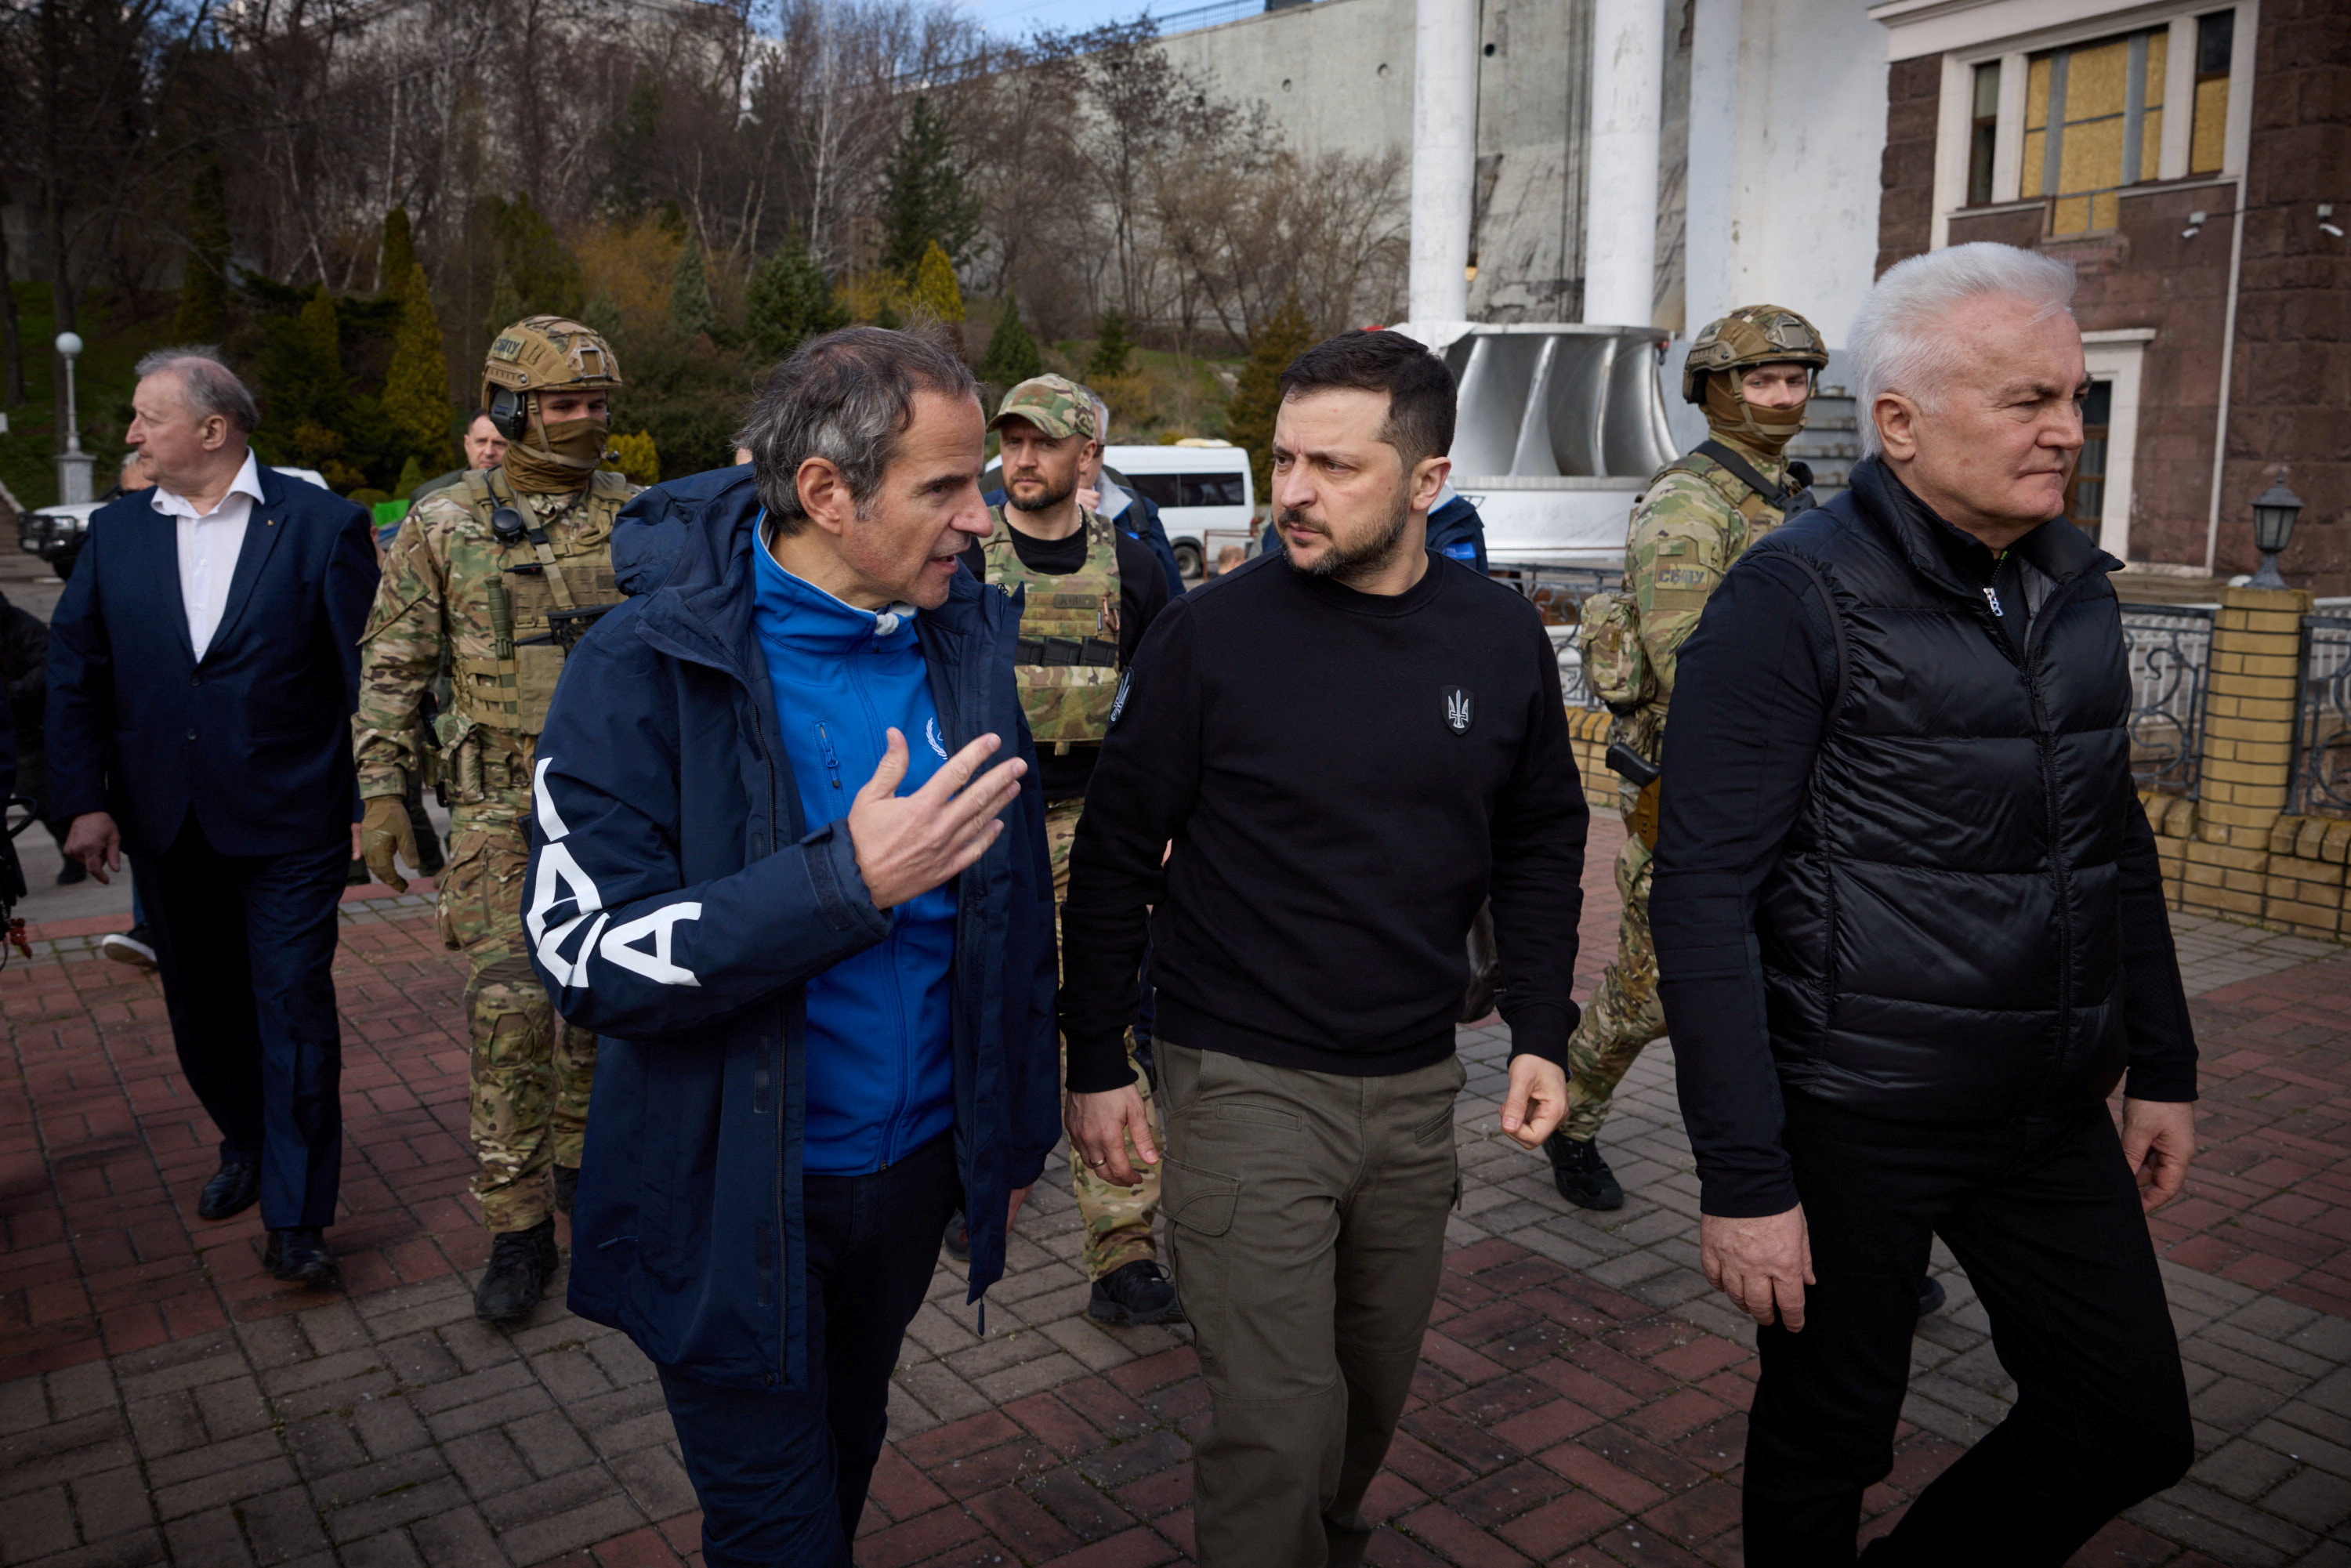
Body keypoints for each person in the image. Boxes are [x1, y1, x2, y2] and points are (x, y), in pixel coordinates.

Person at [1650, 242, 2198, 1561]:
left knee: (2131, 1421)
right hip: (1859, 1112)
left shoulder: (2073, 588)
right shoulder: (1792, 595)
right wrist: (1744, 1177)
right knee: (1826, 1440)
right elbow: (1702, 892)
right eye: (2026, 401)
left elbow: (2111, 833)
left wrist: (2163, 1062)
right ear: (1898, 423)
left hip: (2046, 1101)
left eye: (2073, 398)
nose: (2068, 429)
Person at [523, 327, 1059, 1565]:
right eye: (943, 488)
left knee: (846, 1450)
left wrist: (1010, 1128)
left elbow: (1013, 906)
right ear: (827, 492)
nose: (981, 517)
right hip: (729, 1195)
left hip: (914, 1178)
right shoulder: (644, 663)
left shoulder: (961, 638)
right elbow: (584, 954)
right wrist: (844, 884)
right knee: (779, 1531)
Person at [1062, 330, 1588, 1567]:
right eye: (1283, 458)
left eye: (1333, 466)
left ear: (1427, 480)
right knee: (1278, 1426)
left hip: (1415, 1087)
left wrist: (1542, 1033)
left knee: (1368, 1395)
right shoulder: (1211, 636)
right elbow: (1117, 855)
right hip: (1241, 1076)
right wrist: (1095, 1060)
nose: (1291, 491)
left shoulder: (1498, 638)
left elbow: (1544, 839)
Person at [48, 347, 379, 1284]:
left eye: (147, 418)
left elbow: (365, 678)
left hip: (292, 823)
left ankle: (298, 1214)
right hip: (163, 821)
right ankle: (244, 1138)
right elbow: (78, 674)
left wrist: (371, 798)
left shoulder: (321, 526)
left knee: (294, 1009)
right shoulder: (115, 535)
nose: (131, 435)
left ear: (213, 428)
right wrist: (80, 802)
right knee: (202, 1009)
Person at [351, 317, 639, 1323]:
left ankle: (582, 1173)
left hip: (617, 815)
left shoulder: (643, 520)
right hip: (494, 813)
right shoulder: (444, 523)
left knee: (605, 1015)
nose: (588, 423)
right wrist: (383, 790)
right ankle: (517, 1232)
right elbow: (392, 668)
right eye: (566, 406)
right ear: (512, 408)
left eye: (600, 406)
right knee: (511, 1017)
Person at [1543, 304, 1826, 1213]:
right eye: (1764, 380)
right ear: (1716, 390)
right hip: (1702, 794)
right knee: (1651, 994)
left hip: (1798, 790)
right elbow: (1689, 663)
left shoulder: (1791, 492)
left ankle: (1824, 1191)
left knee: (1801, 991)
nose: (1785, 396)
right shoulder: (1688, 501)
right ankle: (1570, 1119)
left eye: (1797, 379)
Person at [957, 374, 1179, 1326]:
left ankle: (1123, 1252)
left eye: (1043, 444)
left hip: (1097, 823)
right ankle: (974, 1183)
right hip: (984, 822)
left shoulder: (1134, 566)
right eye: (1011, 442)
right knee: (978, 1013)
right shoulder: (963, 559)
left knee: (1107, 1024)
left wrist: (1169, 825)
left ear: (1088, 455)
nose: (1022, 460)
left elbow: (1174, 709)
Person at [408, 410, 511, 506]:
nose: (489, 452)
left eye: (499, 444)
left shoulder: (522, 495)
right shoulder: (428, 496)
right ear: (467, 444)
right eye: (481, 441)